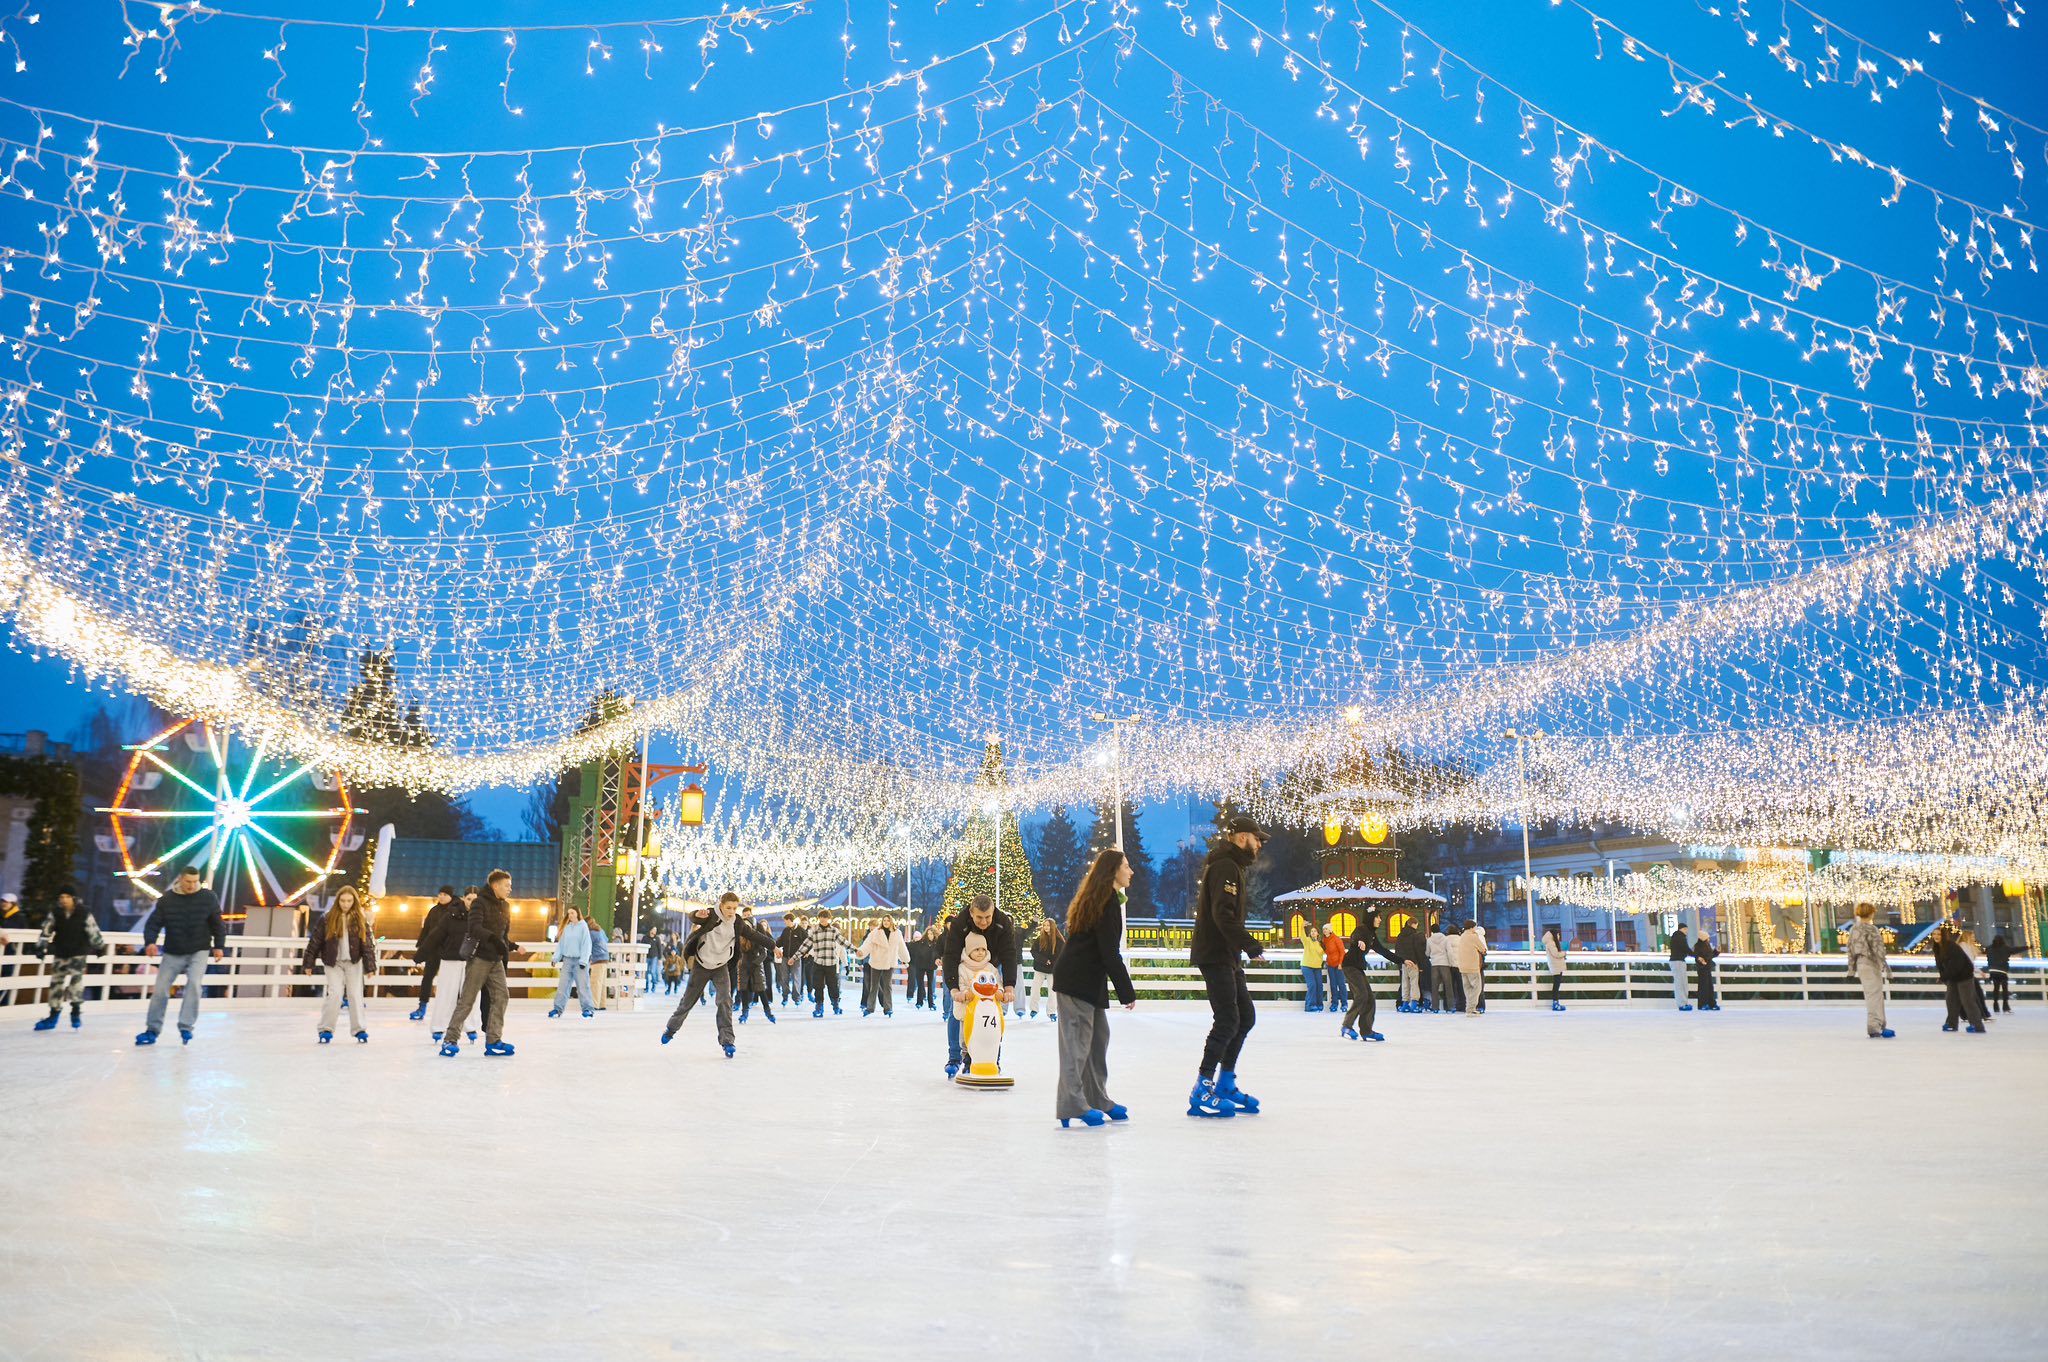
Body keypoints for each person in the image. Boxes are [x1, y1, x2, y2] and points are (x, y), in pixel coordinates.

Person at [1051, 848, 1138, 1128]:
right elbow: (1109, 953)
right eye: (1126, 866)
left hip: (1089, 982)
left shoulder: (1105, 899)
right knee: (1076, 1046)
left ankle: (1096, 1097)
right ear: (1113, 871)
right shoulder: (1105, 903)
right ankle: (1071, 1104)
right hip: (1077, 982)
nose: (1131, 871)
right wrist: (1127, 991)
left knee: (1098, 1039)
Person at [1187, 817, 1266, 1118]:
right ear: (1242, 837)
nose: (1259, 845)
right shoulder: (1225, 867)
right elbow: (1223, 915)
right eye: (1257, 838)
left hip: (1227, 955)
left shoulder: (1233, 867)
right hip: (1216, 953)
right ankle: (1201, 1087)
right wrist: (1251, 944)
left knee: (1245, 1017)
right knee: (1227, 1020)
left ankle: (1225, 1083)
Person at [663, 892, 775, 1056]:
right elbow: (694, 918)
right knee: (688, 1001)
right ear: (721, 905)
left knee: (725, 1001)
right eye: (728, 907)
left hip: (721, 966)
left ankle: (727, 1041)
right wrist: (696, 914)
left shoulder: (737, 922)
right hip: (702, 965)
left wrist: (775, 947)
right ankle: (671, 1029)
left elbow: (755, 935)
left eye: (734, 908)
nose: (731, 911)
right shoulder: (711, 914)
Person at [136, 866, 225, 1046]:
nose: (192, 886)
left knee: (193, 984)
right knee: (160, 990)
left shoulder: (208, 897)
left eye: (195, 882)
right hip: (173, 950)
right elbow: (153, 923)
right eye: (188, 882)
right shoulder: (167, 899)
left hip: (199, 948)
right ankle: (152, 1030)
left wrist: (219, 946)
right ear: (180, 879)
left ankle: (186, 1026)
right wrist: (150, 942)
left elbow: (218, 924)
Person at [437, 870, 518, 1058]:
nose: (510, 889)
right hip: (480, 958)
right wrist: (493, 939)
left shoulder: (505, 906)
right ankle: (450, 1039)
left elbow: (504, 934)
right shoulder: (479, 903)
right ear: (495, 886)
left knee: (502, 996)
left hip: (496, 960)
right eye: (507, 885)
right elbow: (474, 928)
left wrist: (505, 947)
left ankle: (493, 1040)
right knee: (467, 999)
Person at [940, 894, 1019, 1079]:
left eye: (988, 917)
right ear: (971, 913)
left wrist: (1008, 986)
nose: (984, 922)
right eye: (979, 917)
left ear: (993, 912)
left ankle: (992, 1058)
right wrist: (954, 988)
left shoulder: (1002, 923)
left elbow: (1009, 953)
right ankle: (955, 1057)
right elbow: (950, 954)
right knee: (957, 1010)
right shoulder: (960, 923)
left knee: (993, 1011)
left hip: (991, 966)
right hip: (965, 966)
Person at [302, 886, 376, 1044]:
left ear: (354, 901)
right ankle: (325, 1029)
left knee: (355, 994)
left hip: (353, 962)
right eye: (342, 900)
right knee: (335, 993)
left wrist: (370, 966)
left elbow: (367, 943)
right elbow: (315, 941)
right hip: (333, 962)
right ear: (337, 901)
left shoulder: (360, 919)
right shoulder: (327, 918)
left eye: (349, 901)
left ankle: (359, 1029)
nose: (345, 904)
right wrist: (309, 963)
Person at [420, 886, 493, 1042]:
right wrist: (422, 952)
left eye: (475, 900)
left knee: (472, 996)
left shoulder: (483, 917)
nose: (472, 903)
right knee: (446, 994)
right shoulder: (451, 914)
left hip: (473, 961)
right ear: (463, 899)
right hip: (450, 959)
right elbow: (437, 934)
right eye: (469, 899)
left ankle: (470, 1026)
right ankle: (439, 1026)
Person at [31, 887, 104, 1031]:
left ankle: (75, 1013)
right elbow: (46, 930)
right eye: (61, 897)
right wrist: (40, 946)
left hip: (78, 954)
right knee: (56, 984)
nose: (63, 900)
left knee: (76, 983)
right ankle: (53, 1016)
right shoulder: (56, 913)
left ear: (73, 898)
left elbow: (93, 930)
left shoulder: (83, 913)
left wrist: (100, 946)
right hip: (61, 952)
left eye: (67, 897)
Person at [1842, 904, 1894, 1039]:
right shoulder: (1871, 929)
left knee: (1872, 994)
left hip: (1861, 964)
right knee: (1875, 996)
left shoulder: (1854, 929)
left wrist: (1851, 970)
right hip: (1871, 964)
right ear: (1871, 913)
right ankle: (1874, 1026)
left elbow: (1850, 950)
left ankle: (1879, 1024)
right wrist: (1887, 969)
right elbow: (1878, 950)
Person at [408, 886, 459, 1021]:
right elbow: (426, 931)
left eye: (444, 894)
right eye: (440, 894)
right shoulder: (434, 911)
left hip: (449, 952)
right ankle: (422, 1006)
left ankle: (452, 1009)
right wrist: (421, 948)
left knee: (449, 982)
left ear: (450, 896)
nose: (441, 896)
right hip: (433, 951)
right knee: (427, 977)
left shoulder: (456, 910)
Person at [1339, 906, 1387, 1041]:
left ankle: (1366, 1031)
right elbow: (1355, 936)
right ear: (1371, 918)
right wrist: (1359, 941)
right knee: (1362, 995)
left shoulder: (1372, 935)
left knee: (1370, 998)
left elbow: (1384, 951)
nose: (1380, 920)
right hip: (1350, 965)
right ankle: (1347, 1025)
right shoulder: (1361, 930)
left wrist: (1403, 960)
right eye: (1378, 917)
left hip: (1357, 967)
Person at [1933, 922, 1987, 1034]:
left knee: (1967, 1001)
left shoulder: (1951, 946)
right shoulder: (1937, 948)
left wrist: (1945, 976)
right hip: (1952, 977)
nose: (1936, 936)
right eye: (1934, 934)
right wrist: (1943, 976)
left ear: (1943, 935)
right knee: (1951, 1000)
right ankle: (1952, 1024)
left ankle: (1977, 1026)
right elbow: (1940, 964)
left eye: (1938, 934)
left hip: (1964, 976)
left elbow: (1956, 964)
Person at [856, 915, 908, 1017]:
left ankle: (888, 1008)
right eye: (884, 920)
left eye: (888, 920)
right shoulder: (875, 932)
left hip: (889, 962)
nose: (886, 922)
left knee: (887, 986)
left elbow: (901, 946)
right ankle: (870, 1007)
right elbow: (868, 944)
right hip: (876, 961)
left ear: (891, 922)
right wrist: (861, 952)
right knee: (873, 985)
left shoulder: (897, 933)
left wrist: (905, 959)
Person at [549, 907, 595, 1019]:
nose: (570, 915)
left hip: (580, 961)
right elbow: (561, 944)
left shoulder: (583, 927)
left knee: (583, 987)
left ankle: (588, 1009)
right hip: (567, 960)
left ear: (578, 914)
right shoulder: (567, 928)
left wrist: (584, 960)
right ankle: (557, 1009)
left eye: (572, 913)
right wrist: (555, 958)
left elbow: (586, 945)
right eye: (569, 913)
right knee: (563, 986)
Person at [737, 908, 777, 1024]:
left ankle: (768, 1011)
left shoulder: (758, 929)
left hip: (756, 963)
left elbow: (764, 951)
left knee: (760, 988)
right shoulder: (740, 934)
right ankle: (744, 1012)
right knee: (743, 988)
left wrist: (755, 963)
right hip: (744, 964)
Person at [805, 911, 847, 1017]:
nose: (823, 919)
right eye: (821, 917)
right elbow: (815, 948)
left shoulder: (836, 936)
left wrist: (846, 965)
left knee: (833, 986)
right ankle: (819, 1006)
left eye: (825, 917)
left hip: (832, 965)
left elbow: (843, 952)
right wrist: (808, 954)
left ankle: (836, 1004)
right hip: (819, 964)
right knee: (818, 986)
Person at [1025, 919, 1063, 1020]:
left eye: (1048, 925)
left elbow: (1061, 955)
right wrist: (1044, 960)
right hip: (1040, 968)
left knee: (1052, 991)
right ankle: (1034, 1009)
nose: (1046, 927)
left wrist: (1053, 963)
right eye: (1044, 925)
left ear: (1053, 926)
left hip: (1052, 970)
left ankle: (1051, 1012)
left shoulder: (1059, 940)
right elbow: (1033, 951)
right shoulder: (1040, 938)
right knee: (1035, 989)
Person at [775, 915, 809, 1006]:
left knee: (796, 978)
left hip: (796, 958)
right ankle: (785, 996)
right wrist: (773, 946)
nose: (785, 923)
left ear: (791, 920)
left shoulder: (801, 931)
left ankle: (796, 997)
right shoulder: (786, 930)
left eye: (786, 921)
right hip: (785, 957)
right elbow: (780, 942)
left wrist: (806, 952)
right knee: (784, 978)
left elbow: (808, 942)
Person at [1455, 920, 1486, 1016]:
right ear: (1472, 927)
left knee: (1467, 988)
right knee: (1477, 988)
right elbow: (1483, 949)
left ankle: (1468, 1008)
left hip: (1462, 967)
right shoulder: (1473, 937)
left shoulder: (1462, 937)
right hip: (1472, 966)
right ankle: (1471, 1009)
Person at [906, 922, 940, 1009]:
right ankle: (919, 1002)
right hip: (920, 965)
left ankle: (931, 1003)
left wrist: (938, 959)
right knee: (920, 984)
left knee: (930, 984)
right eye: (928, 934)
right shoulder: (921, 942)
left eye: (931, 934)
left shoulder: (937, 944)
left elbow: (938, 953)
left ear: (934, 934)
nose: (929, 935)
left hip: (930, 966)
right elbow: (911, 945)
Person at [1396, 917, 1425, 1012]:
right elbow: (1418, 951)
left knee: (1405, 983)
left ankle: (1404, 1003)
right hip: (1413, 962)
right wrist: (1420, 965)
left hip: (1404, 963)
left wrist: (1400, 962)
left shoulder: (1400, 935)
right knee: (1414, 983)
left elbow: (1397, 950)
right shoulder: (1415, 935)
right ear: (1414, 924)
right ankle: (1414, 1004)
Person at [1425, 919, 1454, 1013]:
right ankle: (1450, 1007)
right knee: (1448, 986)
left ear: (1432, 931)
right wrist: (1451, 963)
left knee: (1434, 987)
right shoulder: (1445, 939)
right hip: (1444, 963)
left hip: (1434, 964)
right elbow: (1449, 951)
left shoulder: (1429, 940)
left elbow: (1427, 953)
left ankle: (1435, 1007)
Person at [1297, 920, 1326, 1012]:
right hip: (1307, 966)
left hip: (1317, 967)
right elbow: (1302, 936)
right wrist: (1302, 926)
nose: (1313, 933)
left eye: (1315, 931)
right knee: (1312, 985)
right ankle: (1310, 1005)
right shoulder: (1307, 941)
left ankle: (1319, 1004)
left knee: (1319, 986)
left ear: (1318, 933)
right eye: (1312, 931)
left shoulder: (1321, 943)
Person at [1321, 920, 1348, 1017]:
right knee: (1333, 985)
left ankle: (1344, 1004)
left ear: (1330, 930)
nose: (1324, 931)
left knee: (1341, 984)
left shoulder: (1336, 939)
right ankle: (1334, 1003)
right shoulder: (1324, 940)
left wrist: (1340, 963)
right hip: (1330, 964)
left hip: (1338, 965)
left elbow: (1342, 952)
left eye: (1326, 929)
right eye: (1323, 929)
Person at [1540, 925, 1568, 1011]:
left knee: (1556, 985)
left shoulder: (1550, 942)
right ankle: (1555, 1003)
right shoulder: (1551, 943)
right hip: (1556, 966)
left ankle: (1556, 1003)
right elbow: (1556, 954)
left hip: (1556, 966)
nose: (1559, 936)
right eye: (1558, 935)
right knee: (1556, 986)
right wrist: (1564, 953)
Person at [1667, 924, 1693, 1012]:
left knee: (1681, 982)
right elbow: (1686, 949)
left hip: (1678, 961)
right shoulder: (1680, 938)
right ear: (1682, 929)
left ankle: (1683, 1002)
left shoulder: (1676, 937)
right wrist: (1696, 955)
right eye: (1686, 929)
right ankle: (1682, 1003)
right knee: (1680, 983)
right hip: (1678, 961)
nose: (1687, 931)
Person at [587, 918, 612, 1010]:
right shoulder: (601, 931)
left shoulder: (590, 933)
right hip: (605, 958)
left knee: (595, 983)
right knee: (602, 983)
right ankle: (602, 1004)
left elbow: (587, 945)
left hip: (597, 959)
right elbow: (606, 939)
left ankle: (594, 1004)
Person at [1985, 934, 2014, 1014]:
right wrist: (2028, 947)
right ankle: (2005, 1007)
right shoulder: (2005, 948)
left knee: (1996, 989)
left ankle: (1996, 1006)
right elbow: (2016, 950)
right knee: (2005, 989)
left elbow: (1985, 952)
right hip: (2002, 972)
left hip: (1993, 971)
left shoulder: (1989, 948)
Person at [1692, 932, 1721, 1011]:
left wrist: (1716, 951)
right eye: (1707, 937)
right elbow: (1697, 956)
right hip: (1702, 969)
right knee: (1703, 987)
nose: (1709, 939)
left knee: (1709, 987)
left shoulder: (1706, 945)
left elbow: (1710, 956)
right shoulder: (1698, 946)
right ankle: (1703, 1004)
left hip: (1707, 968)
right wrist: (1700, 960)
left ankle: (1711, 1003)